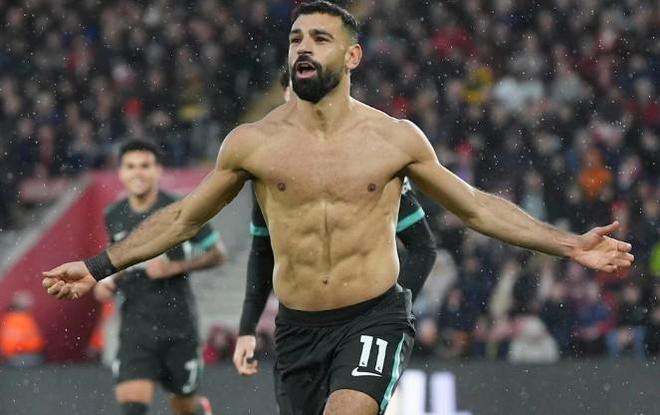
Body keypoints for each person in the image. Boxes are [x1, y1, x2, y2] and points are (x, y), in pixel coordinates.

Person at [43, 2, 634, 414]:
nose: (303, 48)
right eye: (296, 39)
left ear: (352, 58)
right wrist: (98, 266)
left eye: (319, 40)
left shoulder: (395, 139)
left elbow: (476, 208)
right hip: (297, 330)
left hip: (372, 316)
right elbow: (183, 218)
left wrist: (569, 244)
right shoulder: (252, 144)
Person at [233, 69, 437, 380]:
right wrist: (247, 328)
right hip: (299, 327)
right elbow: (262, 252)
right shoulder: (268, 171)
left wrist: (391, 315)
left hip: (364, 321)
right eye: (292, 100)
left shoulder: (366, 160)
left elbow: (422, 247)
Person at [91, 139, 223, 415]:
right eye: (130, 166)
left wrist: (173, 268)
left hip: (178, 327)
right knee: (132, 408)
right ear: (121, 173)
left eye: (145, 165)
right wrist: (107, 282)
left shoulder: (180, 209)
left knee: (185, 409)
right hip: (135, 329)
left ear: (158, 170)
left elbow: (217, 254)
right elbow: (117, 260)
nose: (137, 172)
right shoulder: (114, 214)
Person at [0, 290, 45, 367]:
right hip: (22, 358)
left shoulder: (8, 319)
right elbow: (37, 344)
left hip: (9, 358)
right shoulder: (25, 320)